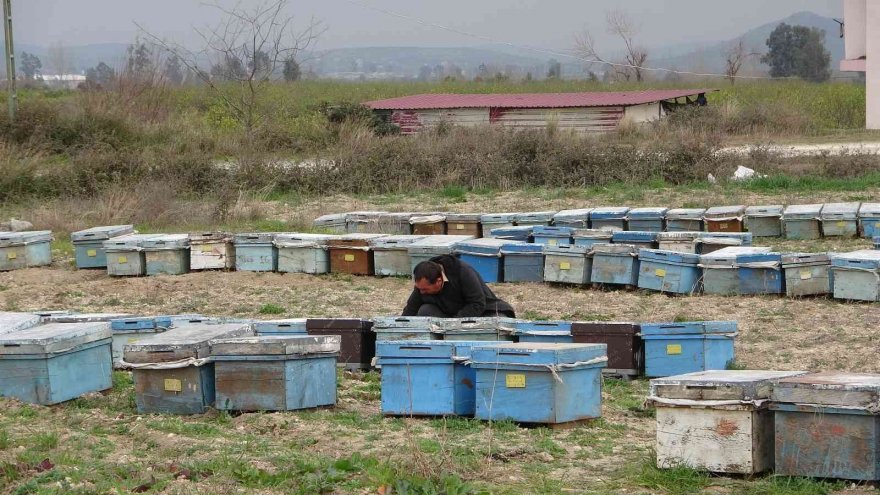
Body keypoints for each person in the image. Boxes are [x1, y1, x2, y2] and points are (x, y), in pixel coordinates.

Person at [402, 255, 515, 318]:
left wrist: (455, 323)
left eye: (425, 289)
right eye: (419, 289)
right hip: (448, 315)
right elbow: (411, 308)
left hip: (481, 312)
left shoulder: (462, 271)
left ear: (438, 281)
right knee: (425, 311)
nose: (421, 292)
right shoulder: (423, 283)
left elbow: (477, 304)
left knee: (497, 320)